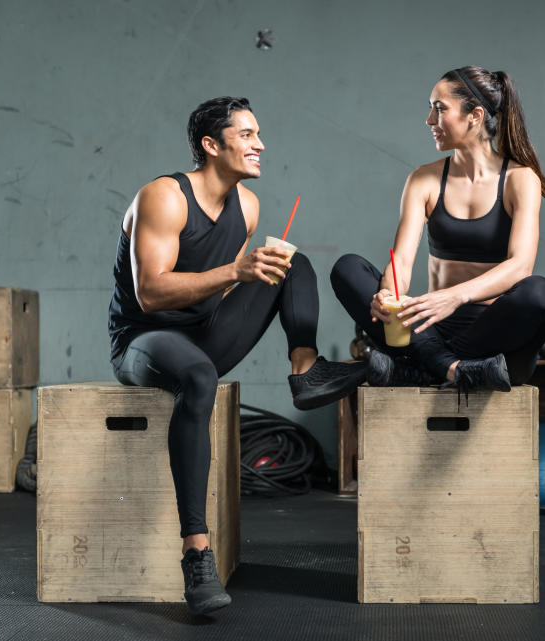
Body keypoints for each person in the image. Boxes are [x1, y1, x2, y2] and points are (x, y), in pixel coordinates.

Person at [108, 96, 365, 615]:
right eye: (247, 135)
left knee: (290, 264)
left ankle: (306, 368)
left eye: (257, 134)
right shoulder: (164, 196)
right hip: (142, 341)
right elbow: (151, 295)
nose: (260, 144)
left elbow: (220, 293)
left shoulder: (246, 206)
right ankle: (196, 553)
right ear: (211, 145)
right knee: (198, 376)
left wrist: (251, 276)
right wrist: (236, 272)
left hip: (201, 334)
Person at [331, 67, 545, 395]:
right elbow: (402, 262)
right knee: (348, 269)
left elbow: (520, 265)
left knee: (540, 293)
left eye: (439, 109)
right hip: (430, 327)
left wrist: (453, 296)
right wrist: (388, 295)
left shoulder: (520, 179)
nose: (429, 120)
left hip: (495, 337)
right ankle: (452, 369)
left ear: (475, 115)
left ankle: (421, 368)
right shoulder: (423, 179)